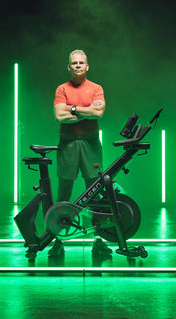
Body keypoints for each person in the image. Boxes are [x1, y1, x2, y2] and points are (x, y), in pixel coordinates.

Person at [50, 49, 111, 257]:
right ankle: (58, 239)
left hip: (91, 143)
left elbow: (98, 113)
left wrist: (73, 109)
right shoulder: (61, 88)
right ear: (69, 67)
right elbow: (60, 116)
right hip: (68, 144)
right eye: (74, 63)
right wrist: (86, 111)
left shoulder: (96, 88)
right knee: (64, 189)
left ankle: (98, 239)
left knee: (93, 190)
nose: (77, 65)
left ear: (87, 66)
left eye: (81, 63)